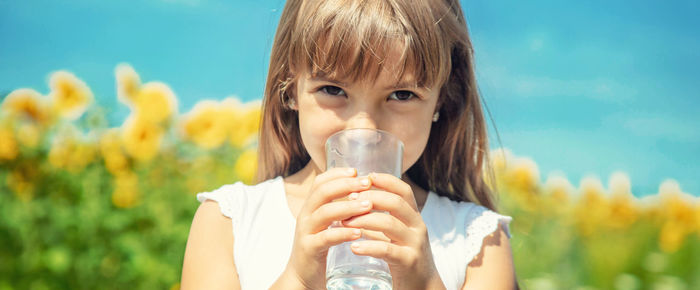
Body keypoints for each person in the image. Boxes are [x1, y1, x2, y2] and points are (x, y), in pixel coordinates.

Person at [181, 0, 518, 289]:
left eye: (402, 95)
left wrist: (425, 282)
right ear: (290, 88)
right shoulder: (228, 222)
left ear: (442, 100)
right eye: (333, 90)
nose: (363, 127)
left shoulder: (478, 240)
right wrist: (298, 278)